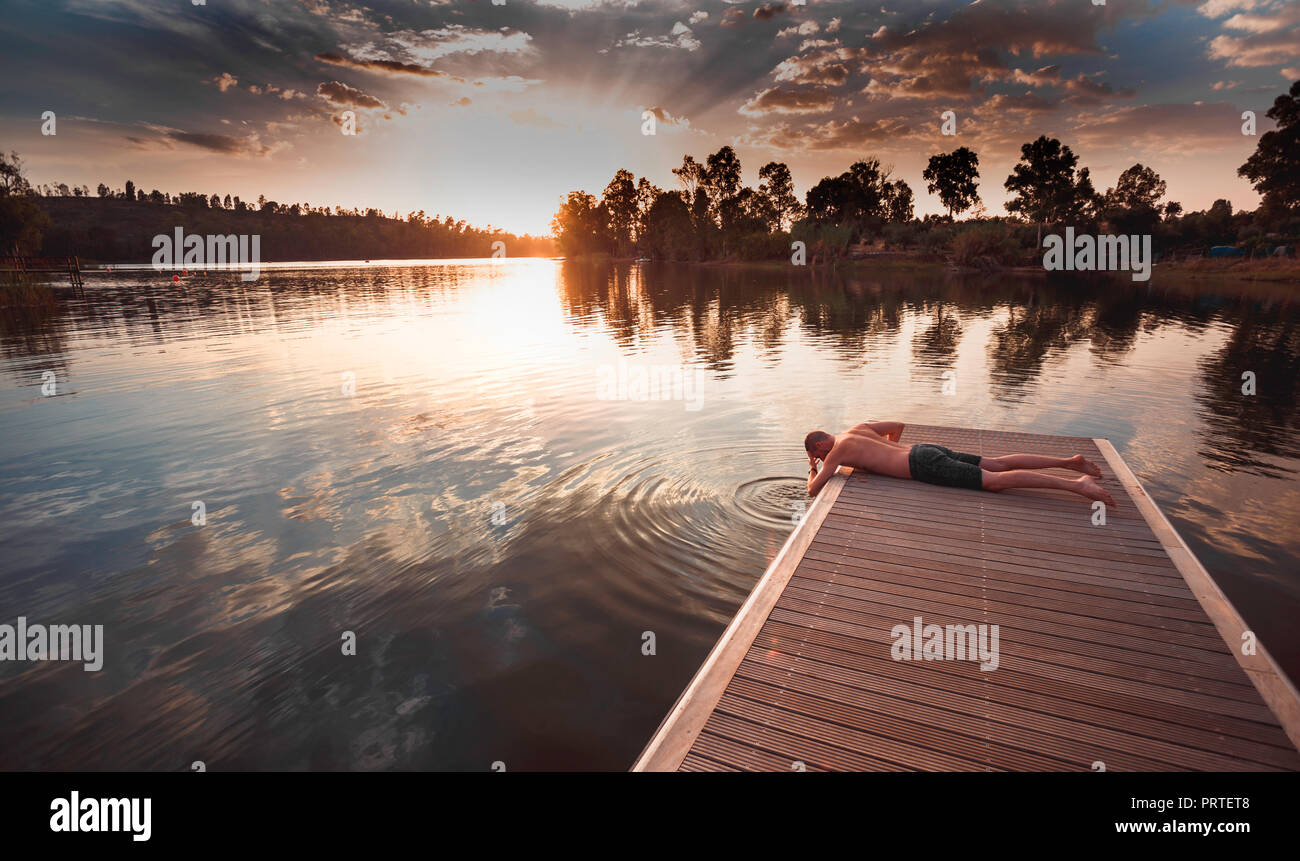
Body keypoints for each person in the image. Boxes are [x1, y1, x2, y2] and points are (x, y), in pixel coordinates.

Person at [804, 420, 1115, 506]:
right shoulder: (855, 429)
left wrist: (813, 468)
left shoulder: (836, 453)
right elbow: (896, 425)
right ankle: (1070, 462)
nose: (821, 458)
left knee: (992, 482)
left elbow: (813, 491)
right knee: (998, 464)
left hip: (923, 466)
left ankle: (1076, 485)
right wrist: (887, 454)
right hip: (925, 449)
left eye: (818, 454)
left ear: (820, 445)